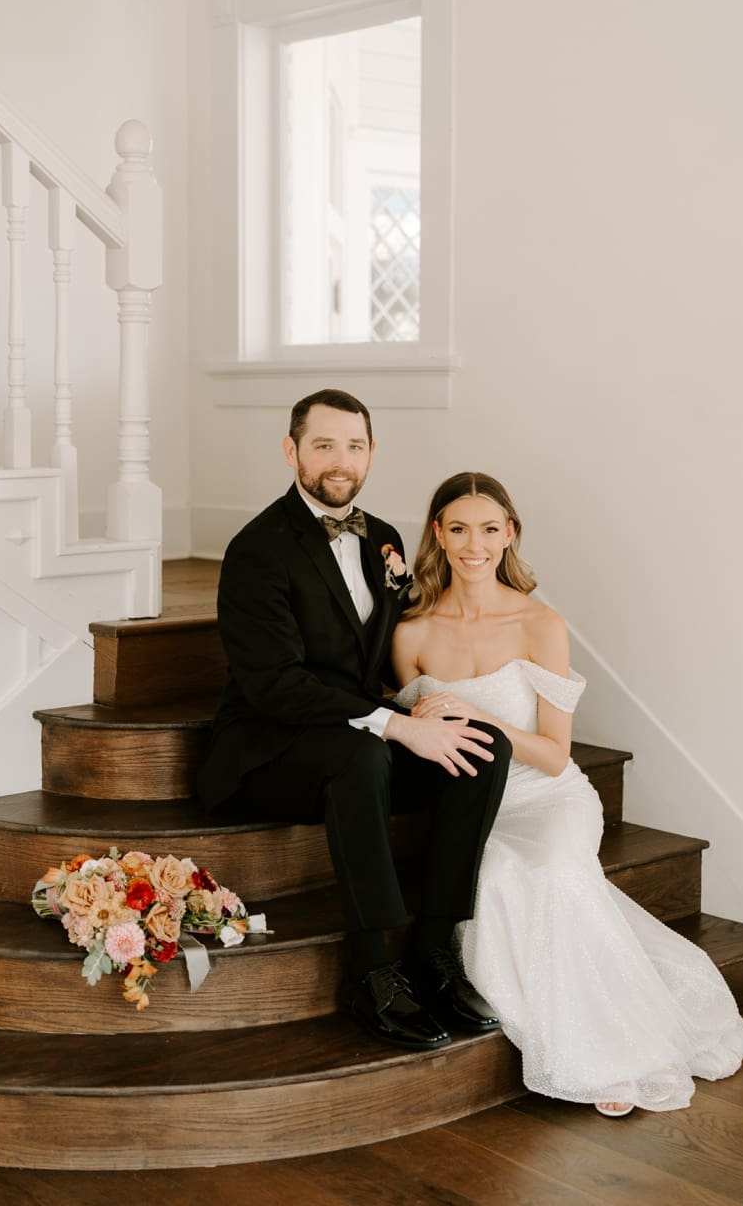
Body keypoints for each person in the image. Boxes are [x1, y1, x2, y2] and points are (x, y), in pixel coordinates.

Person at [390, 472, 743, 1117]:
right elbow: (418, 740)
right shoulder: (412, 633)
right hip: (474, 807)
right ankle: (572, 1038)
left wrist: (487, 724)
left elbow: (555, 753)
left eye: (489, 528)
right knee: (500, 871)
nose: (474, 544)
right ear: (437, 536)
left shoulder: (540, 624)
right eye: (458, 529)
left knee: (556, 871)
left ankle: (619, 1046)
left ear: (510, 535)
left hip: (548, 796)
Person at [200, 389, 509, 1053]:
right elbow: (276, 685)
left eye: (355, 445)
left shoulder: (386, 540)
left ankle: (432, 951)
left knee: (483, 745)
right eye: (324, 445)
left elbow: (376, 659)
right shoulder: (257, 550)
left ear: (372, 453)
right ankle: (373, 970)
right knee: (362, 755)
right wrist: (394, 726)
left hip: (354, 728)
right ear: (292, 452)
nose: (341, 461)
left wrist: (419, 704)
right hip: (269, 749)